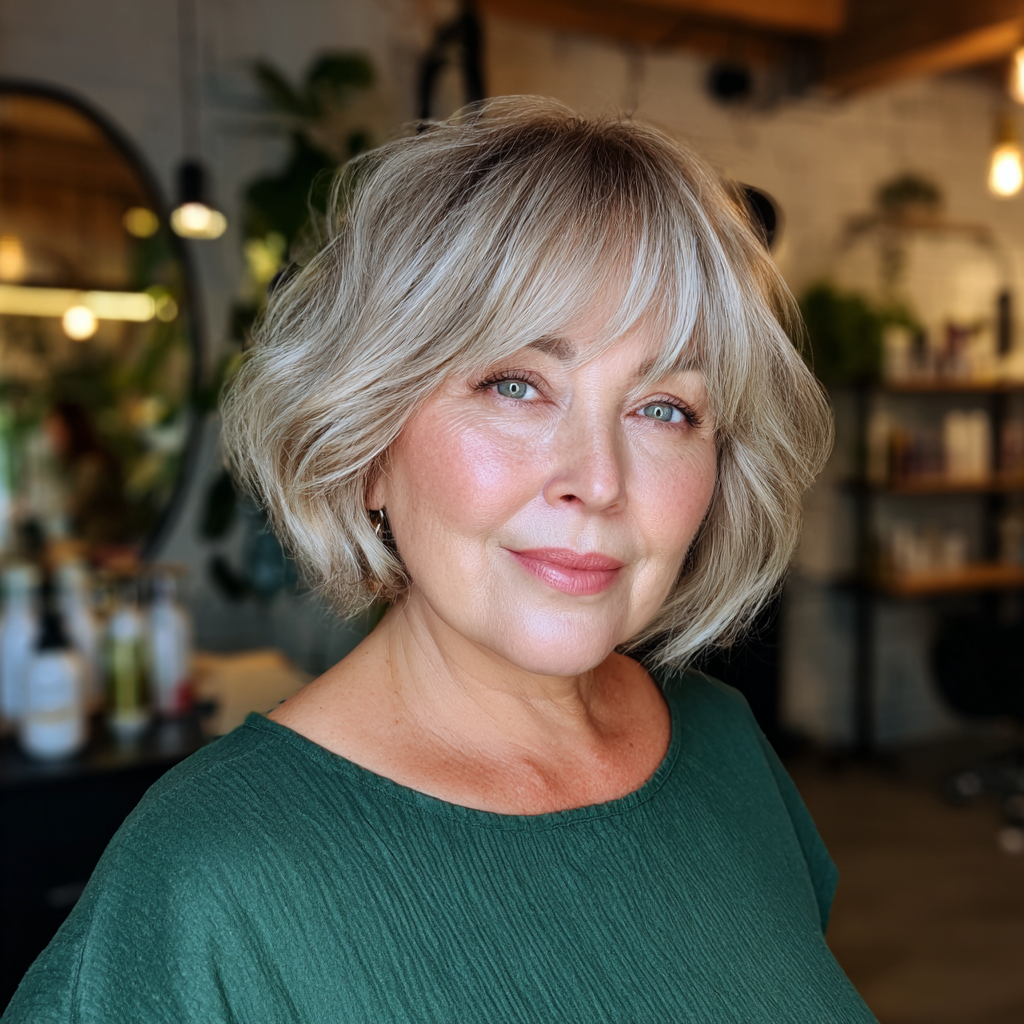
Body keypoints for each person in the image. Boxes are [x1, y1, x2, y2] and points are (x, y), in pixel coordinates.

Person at [3, 98, 876, 1023]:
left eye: (665, 409)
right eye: (516, 385)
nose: (598, 481)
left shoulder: (725, 746)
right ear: (369, 445)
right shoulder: (207, 881)